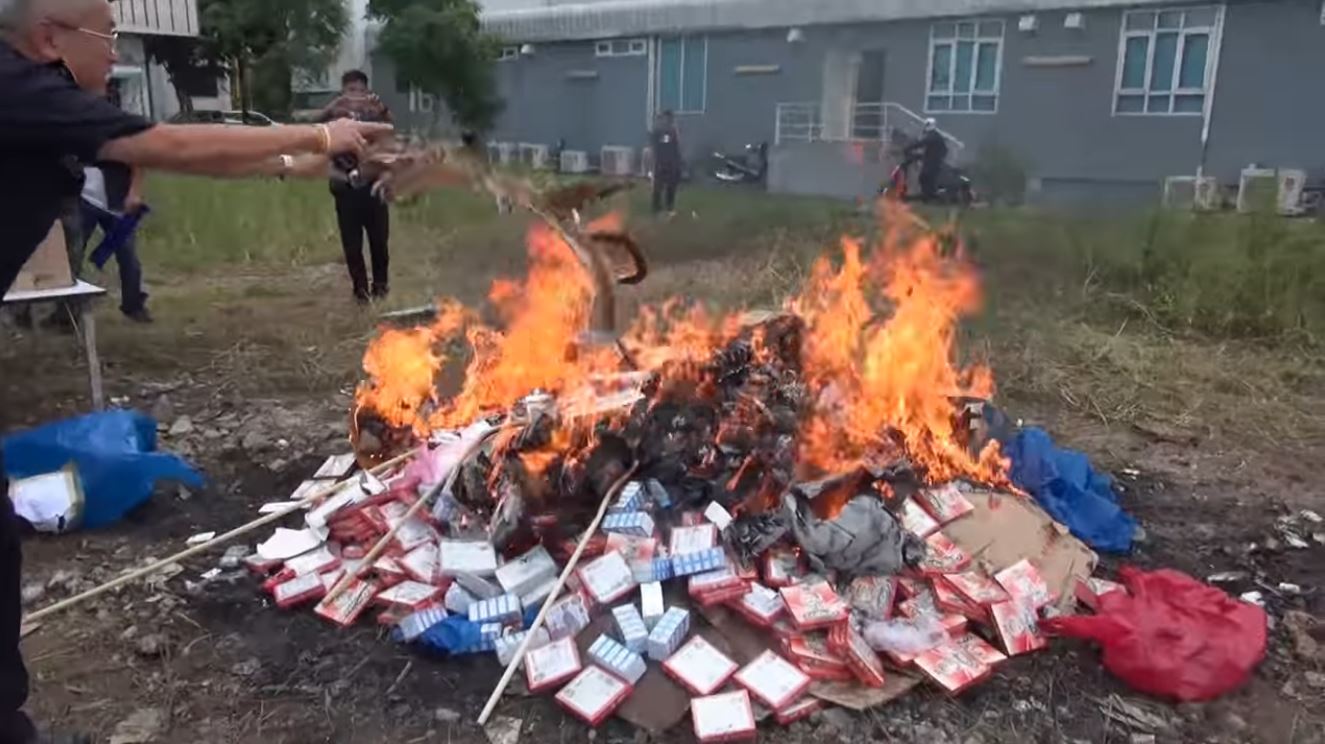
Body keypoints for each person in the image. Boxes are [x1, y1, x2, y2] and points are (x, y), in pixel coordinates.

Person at [0, 0, 393, 740]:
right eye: (108, 37)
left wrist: (299, 160)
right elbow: (169, 140)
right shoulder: (15, 89)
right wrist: (319, 130)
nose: (115, 55)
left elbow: (159, 152)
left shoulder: (38, 101)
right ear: (49, 36)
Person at [320, 70, 393, 304]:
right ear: (343, 92)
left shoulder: (375, 116)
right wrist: (336, 105)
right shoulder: (334, 117)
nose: (356, 96)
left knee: (379, 241)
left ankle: (380, 287)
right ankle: (360, 292)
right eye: (351, 90)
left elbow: (391, 131)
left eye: (361, 90)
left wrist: (380, 108)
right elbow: (316, 129)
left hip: (374, 187)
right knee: (352, 245)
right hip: (345, 188)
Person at [906, 117, 949, 202]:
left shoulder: (933, 136)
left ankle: (930, 197)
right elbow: (943, 149)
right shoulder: (936, 135)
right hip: (934, 160)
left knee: (925, 177)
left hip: (933, 161)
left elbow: (922, 143)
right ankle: (928, 196)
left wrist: (909, 148)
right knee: (927, 178)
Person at [649, 110, 682, 216]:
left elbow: (676, 147)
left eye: (670, 119)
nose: (669, 121)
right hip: (660, 162)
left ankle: (669, 208)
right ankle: (656, 209)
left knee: (671, 186)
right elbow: (655, 146)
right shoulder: (657, 131)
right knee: (658, 186)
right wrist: (656, 160)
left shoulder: (673, 132)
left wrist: (677, 161)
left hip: (672, 163)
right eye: (667, 118)